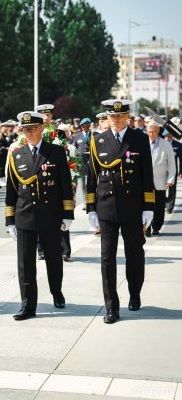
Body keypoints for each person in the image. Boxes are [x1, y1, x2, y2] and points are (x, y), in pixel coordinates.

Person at [86, 99, 155, 324]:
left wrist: (149, 207)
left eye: (120, 116)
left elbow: (147, 176)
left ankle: (134, 293)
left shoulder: (140, 139)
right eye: (112, 117)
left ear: (127, 117)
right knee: (107, 258)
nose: (116, 120)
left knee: (135, 254)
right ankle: (111, 307)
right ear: (107, 118)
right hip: (106, 207)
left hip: (133, 208)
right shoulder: (98, 141)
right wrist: (90, 208)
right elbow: (92, 177)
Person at [5, 111, 74, 320]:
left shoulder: (56, 152)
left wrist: (67, 214)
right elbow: (11, 190)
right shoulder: (16, 154)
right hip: (25, 215)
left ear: (42, 129)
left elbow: (65, 186)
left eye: (33, 128)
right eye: (26, 129)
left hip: (50, 215)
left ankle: (56, 292)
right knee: (25, 264)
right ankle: (28, 305)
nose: (30, 133)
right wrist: (10, 220)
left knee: (54, 259)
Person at [146, 121, 176, 236]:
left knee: (159, 206)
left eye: (153, 132)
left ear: (158, 131)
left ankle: (156, 227)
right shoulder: (143, 143)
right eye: (149, 132)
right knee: (146, 205)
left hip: (160, 180)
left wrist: (170, 179)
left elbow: (171, 164)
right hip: (146, 181)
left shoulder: (166, 144)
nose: (151, 134)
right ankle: (146, 227)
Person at [163, 129, 182, 213]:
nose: (167, 137)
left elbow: (181, 160)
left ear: (172, 136)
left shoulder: (177, 145)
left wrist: (181, 172)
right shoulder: (160, 144)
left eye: (169, 135)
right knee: (161, 189)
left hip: (172, 171)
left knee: (172, 189)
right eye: (166, 136)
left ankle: (169, 207)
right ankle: (163, 203)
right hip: (161, 171)